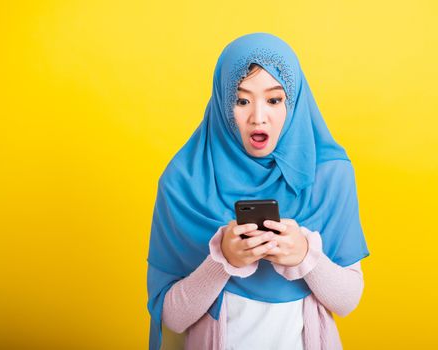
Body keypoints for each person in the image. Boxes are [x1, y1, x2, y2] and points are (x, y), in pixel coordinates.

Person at [146, 32, 370, 350]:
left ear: (293, 101)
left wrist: (306, 256)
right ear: (224, 103)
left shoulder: (331, 175)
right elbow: (171, 317)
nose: (258, 117)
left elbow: (347, 301)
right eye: (242, 100)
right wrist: (222, 258)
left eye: (274, 100)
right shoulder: (183, 181)